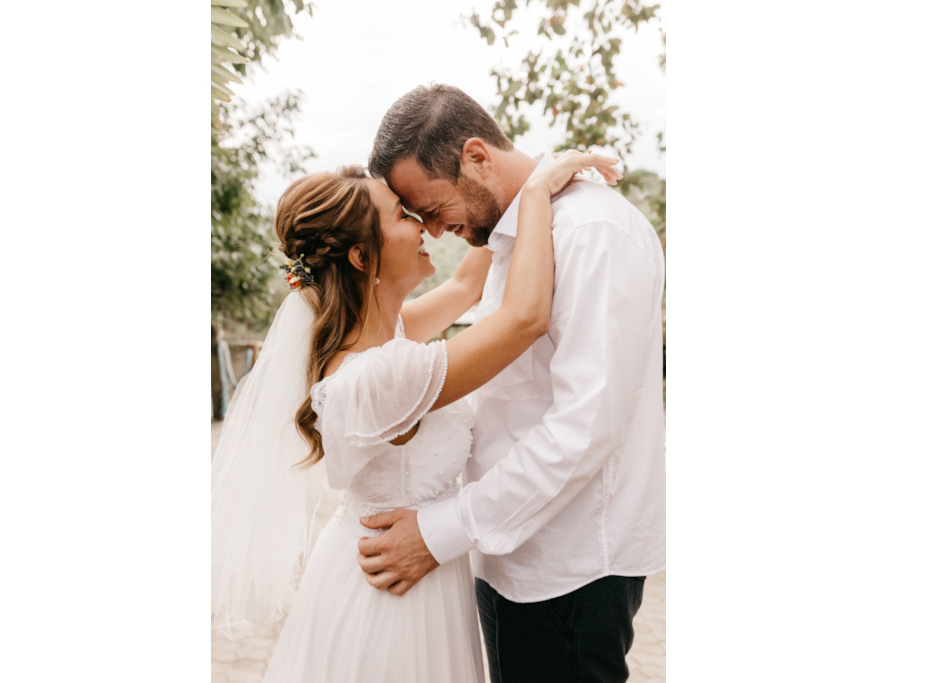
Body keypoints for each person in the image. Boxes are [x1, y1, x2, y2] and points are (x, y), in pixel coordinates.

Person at [210, 152, 622, 682]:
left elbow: (465, 286)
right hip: (390, 600)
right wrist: (539, 191)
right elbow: (524, 319)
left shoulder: (384, 334)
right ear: (363, 256)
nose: (422, 224)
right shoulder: (381, 376)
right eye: (402, 215)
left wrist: (514, 173)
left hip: (411, 571)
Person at [359, 83, 666, 683]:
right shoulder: (514, 239)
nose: (434, 232)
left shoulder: (589, 231)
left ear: (477, 157)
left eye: (432, 207)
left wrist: (441, 531)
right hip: (508, 555)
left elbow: (585, 426)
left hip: (569, 568)